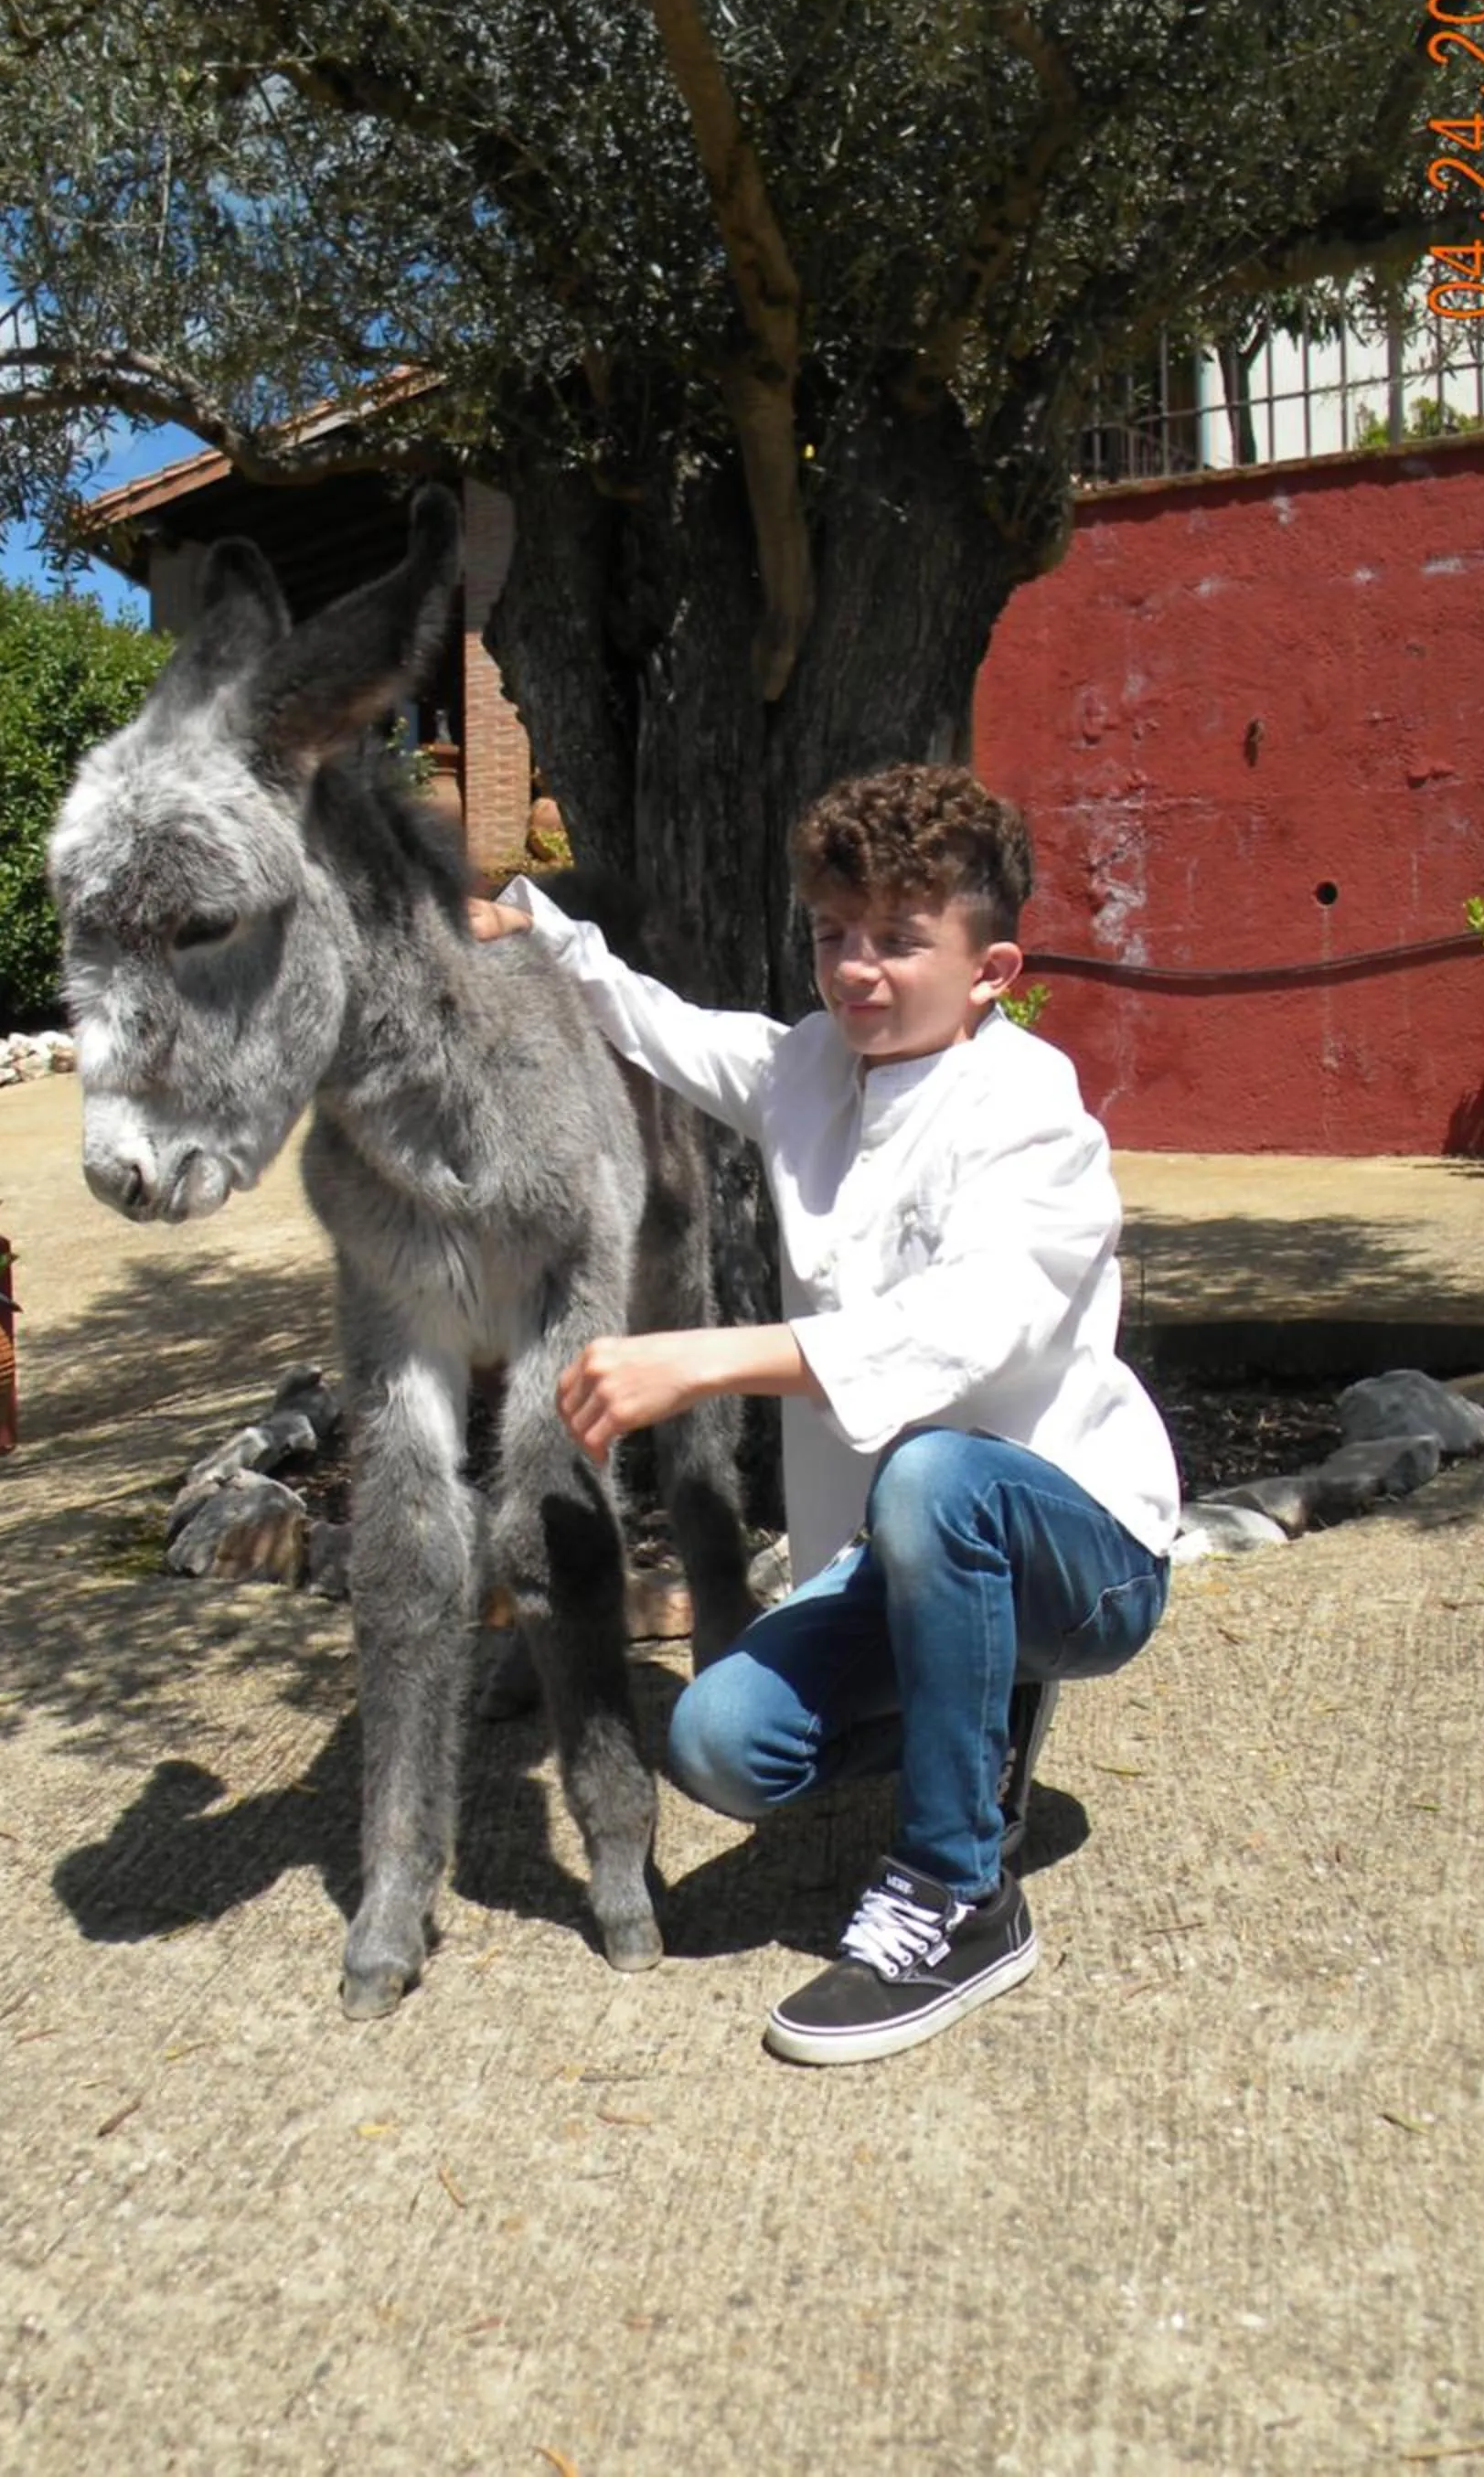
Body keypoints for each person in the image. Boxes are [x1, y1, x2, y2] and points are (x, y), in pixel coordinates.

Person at [469, 764, 1178, 2066]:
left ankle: (962, 1897)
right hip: (900, 1564)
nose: (856, 970)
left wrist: (701, 1361)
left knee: (934, 1477)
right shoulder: (808, 1069)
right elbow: (659, 1024)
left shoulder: (1033, 1113)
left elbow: (974, 1327)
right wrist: (529, 928)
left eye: (900, 941)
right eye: (831, 935)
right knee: (717, 1746)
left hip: (1078, 1556)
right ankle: (977, 1712)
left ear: (990, 970)